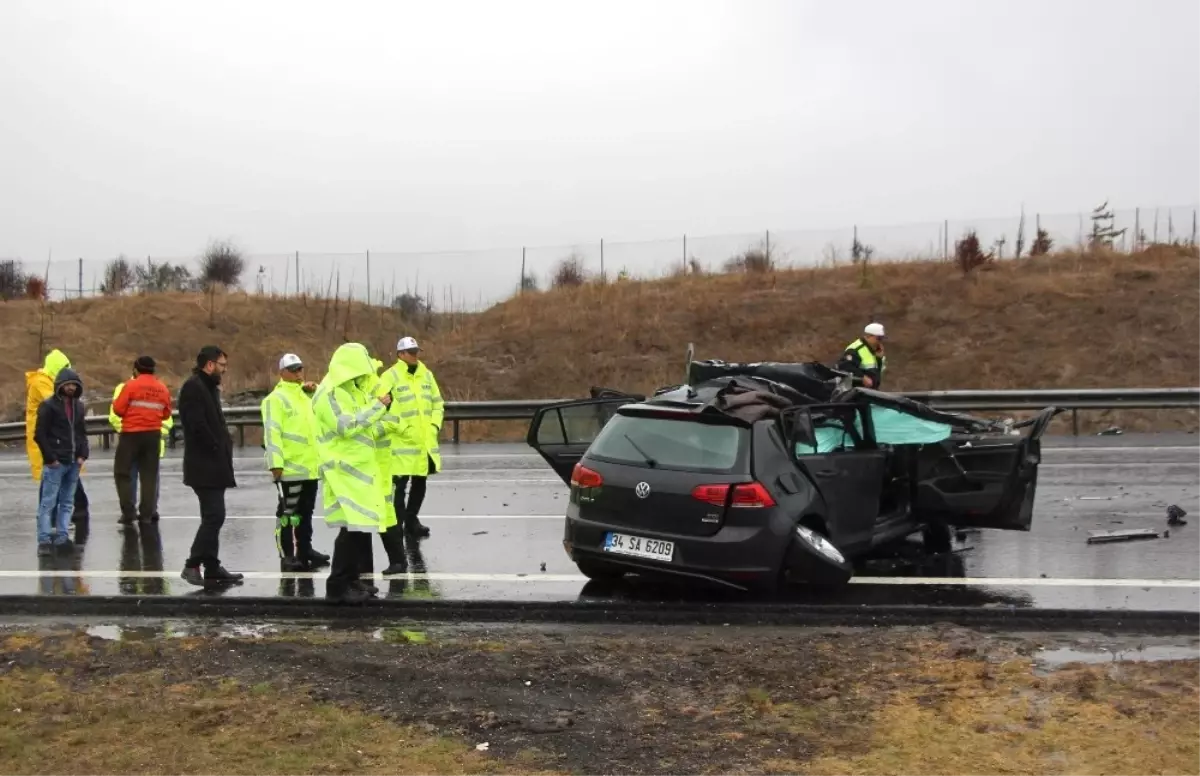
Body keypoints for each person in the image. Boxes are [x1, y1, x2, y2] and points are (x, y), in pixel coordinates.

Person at [312, 342, 393, 604]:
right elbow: (345, 426)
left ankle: (352, 579)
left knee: (359, 527)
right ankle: (337, 586)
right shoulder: (329, 394)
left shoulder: (350, 391)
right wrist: (378, 408)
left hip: (358, 470)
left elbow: (363, 421)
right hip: (343, 471)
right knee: (350, 529)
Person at [178, 345, 243, 587]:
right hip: (203, 465)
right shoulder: (194, 387)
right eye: (222, 365)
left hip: (213, 464)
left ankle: (212, 566)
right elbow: (195, 425)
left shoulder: (208, 387)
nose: (224, 370)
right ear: (209, 365)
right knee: (214, 516)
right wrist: (216, 445)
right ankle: (192, 564)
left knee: (213, 516)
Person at [261, 353, 330, 571]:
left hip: (309, 467)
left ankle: (304, 550)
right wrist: (275, 463)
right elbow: (272, 433)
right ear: (282, 373)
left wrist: (314, 392)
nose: (299, 373)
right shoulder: (275, 399)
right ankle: (287, 554)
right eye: (293, 369)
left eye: (300, 368)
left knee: (306, 515)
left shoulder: (305, 396)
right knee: (288, 515)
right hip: (289, 468)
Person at [378, 336, 444, 539]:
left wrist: (434, 425)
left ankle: (411, 520)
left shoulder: (426, 375)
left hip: (423, 441)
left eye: (416, 352)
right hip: (400, 443)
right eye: (411, 352)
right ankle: (397, 525)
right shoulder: (390, 376)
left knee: (420, 483)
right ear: (400, 354)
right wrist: (402, 428)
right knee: (399, 487)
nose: (415, 356)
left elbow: (437, 403)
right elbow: (380, 406)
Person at [25, 349, 89, 527]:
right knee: (53, 478)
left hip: (61, 440)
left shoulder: (49, 382)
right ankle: (51, 519)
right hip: (49, 440)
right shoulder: (41, 383)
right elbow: (57, 403)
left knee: (62, 476)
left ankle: (70, 514)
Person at [33, 367, 89, 555]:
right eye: (68, 384)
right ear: (60, 385)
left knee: (66, 502)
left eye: (74, 384)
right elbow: (39, 434)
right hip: (56, 463)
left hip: (73, 462)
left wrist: (82, 455)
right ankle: (44, 540)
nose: (71, 387)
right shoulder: (48, 406)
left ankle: (62, 538)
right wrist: (51, 459)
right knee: (48, 503)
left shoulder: (79, 407)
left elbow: (81, 433)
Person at [109, 366, 175, 523]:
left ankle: (128, 512)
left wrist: (125, 426)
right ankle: (148, 513)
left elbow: (117, 410)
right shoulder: (161, 387)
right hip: (153, 438)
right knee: (150, 478)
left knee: (124, 474)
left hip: (131, 436)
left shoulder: (127, 386)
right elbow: (167, 414)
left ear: (135, 370)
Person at [838, 322, 888, 389]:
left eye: (882, 338)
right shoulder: (856, 349)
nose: (880, 341)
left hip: (871, 391)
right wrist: (862, 377)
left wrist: (879, 359)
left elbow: (877, 373)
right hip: (856, 392)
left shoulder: (877, 351)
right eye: (879, 338)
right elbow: (845, 366)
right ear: (869, 336)